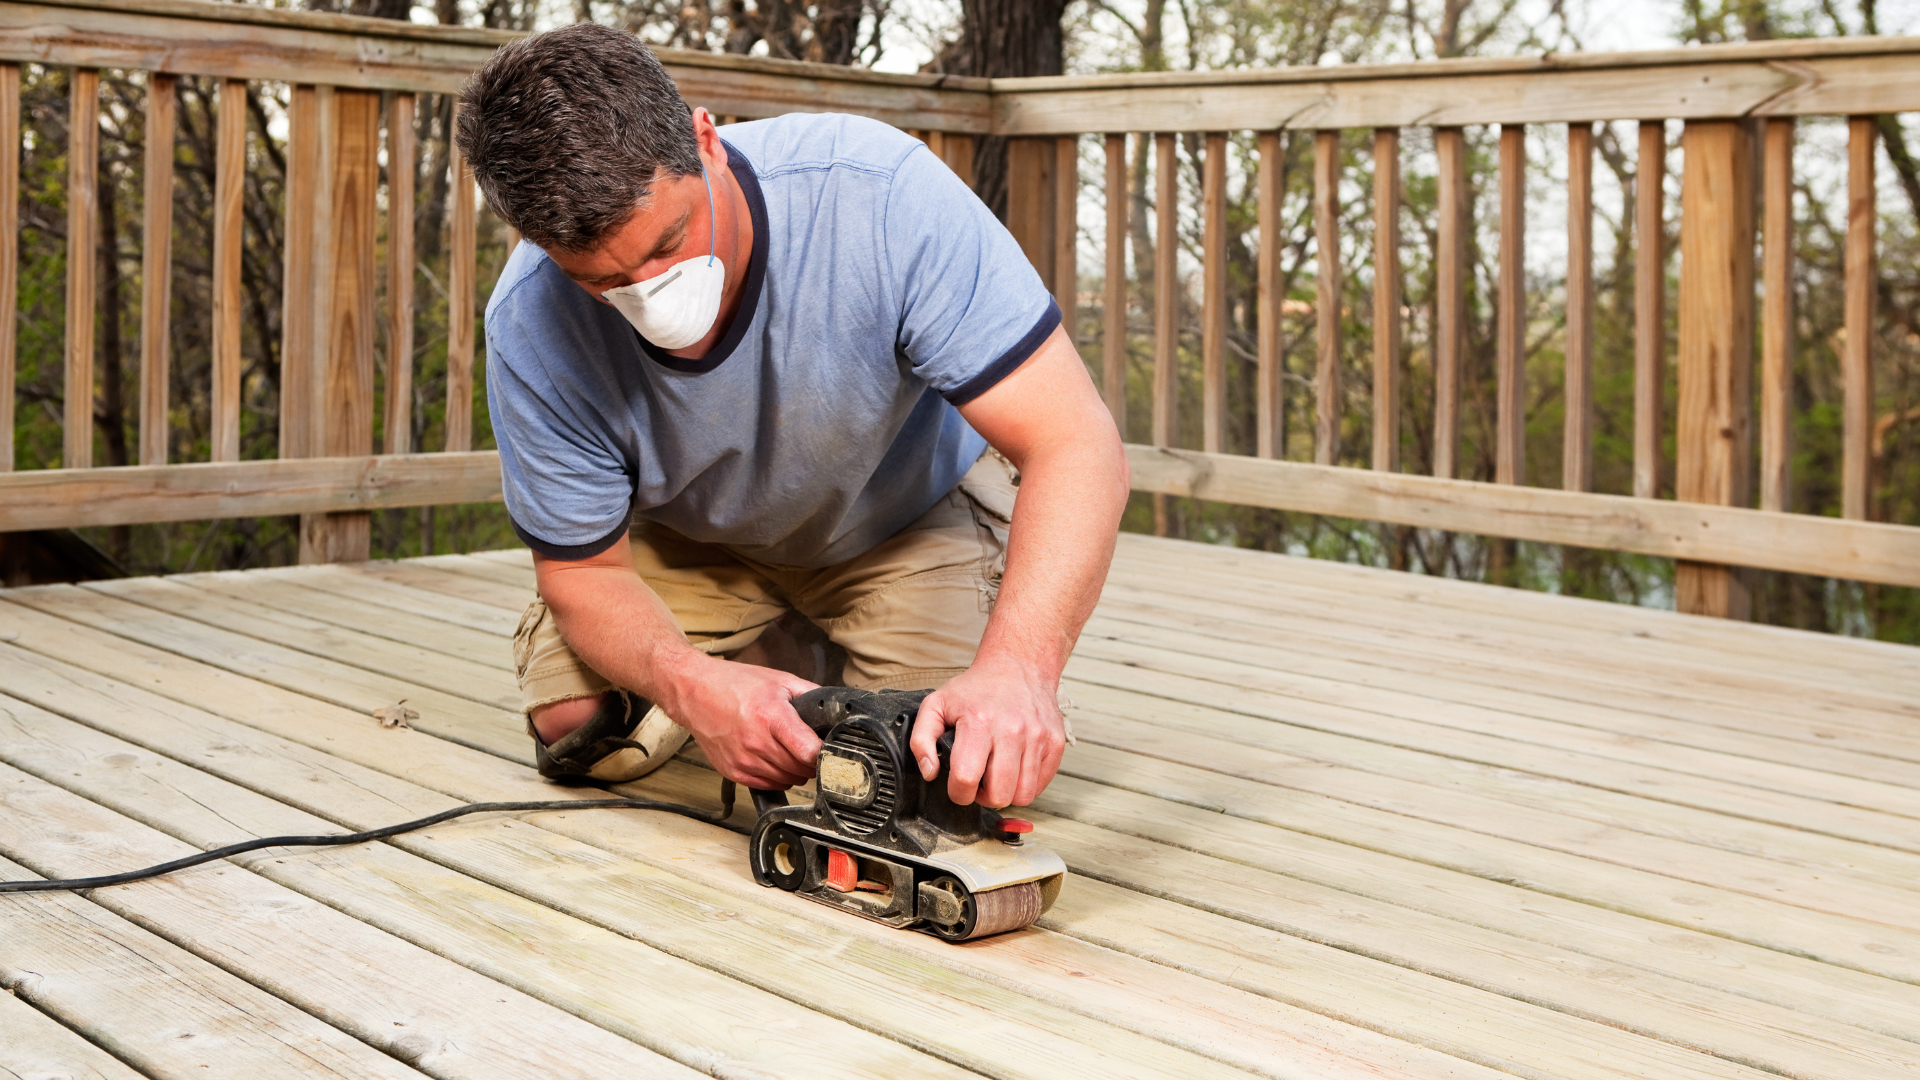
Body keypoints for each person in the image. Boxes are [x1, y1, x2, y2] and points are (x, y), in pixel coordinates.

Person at [456, 23, 1126, 810]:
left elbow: (1074, 442)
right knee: (579, 725)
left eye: (670, 240)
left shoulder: (879, 195)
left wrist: (1019, 668)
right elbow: (582, 572)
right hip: (697, 539)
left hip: (902, 518)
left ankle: (807, 655)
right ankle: (771, 655)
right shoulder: (531, 321)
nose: (651, 292)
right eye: (603, 280)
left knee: (951, 771)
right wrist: (694, 686)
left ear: (706, 140)